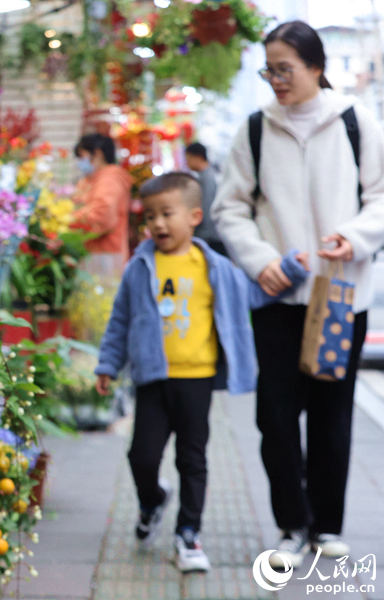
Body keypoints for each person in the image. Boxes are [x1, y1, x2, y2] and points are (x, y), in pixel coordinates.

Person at [212, 20, 384, 567]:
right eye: (269, 69)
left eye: (284, 69)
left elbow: (381, 197)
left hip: (339, 298)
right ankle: (292, 521)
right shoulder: (256, 129)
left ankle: (327, 526)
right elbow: (229, 209)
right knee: (276, 417)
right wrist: (262, 261)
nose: (276, 80)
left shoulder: (356, 121)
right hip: (278, 301)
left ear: (316, 67)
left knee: (333, 414)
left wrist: (352, 239)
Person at [95, 172, 308, 572]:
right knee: (142, 456)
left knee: (193, 459)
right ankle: (153, 499)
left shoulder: (214, 266)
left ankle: (188, 533)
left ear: (194, 216)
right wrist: (108, 364)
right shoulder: (140, 266)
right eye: (150, 216)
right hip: (152, 380)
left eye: (167, 214)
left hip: (197, 380)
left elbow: (256, 291)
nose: (158, 223)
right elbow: (120, 319)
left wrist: (291, 270)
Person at [71, 133, 132, 277]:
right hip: (94, 253)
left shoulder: (109, 178)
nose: (80, 162)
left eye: (82, 156)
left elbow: (103, 216)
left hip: (105, 255)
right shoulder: (92, 179)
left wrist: (66, 219)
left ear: (97, 154)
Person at [185, 142, 224, 256]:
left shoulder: (207, 178)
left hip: (211, 237)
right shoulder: (210, 174)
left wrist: (202, 236)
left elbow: (207, 208)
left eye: (188, 158)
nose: (187, 163)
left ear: (198, 157)